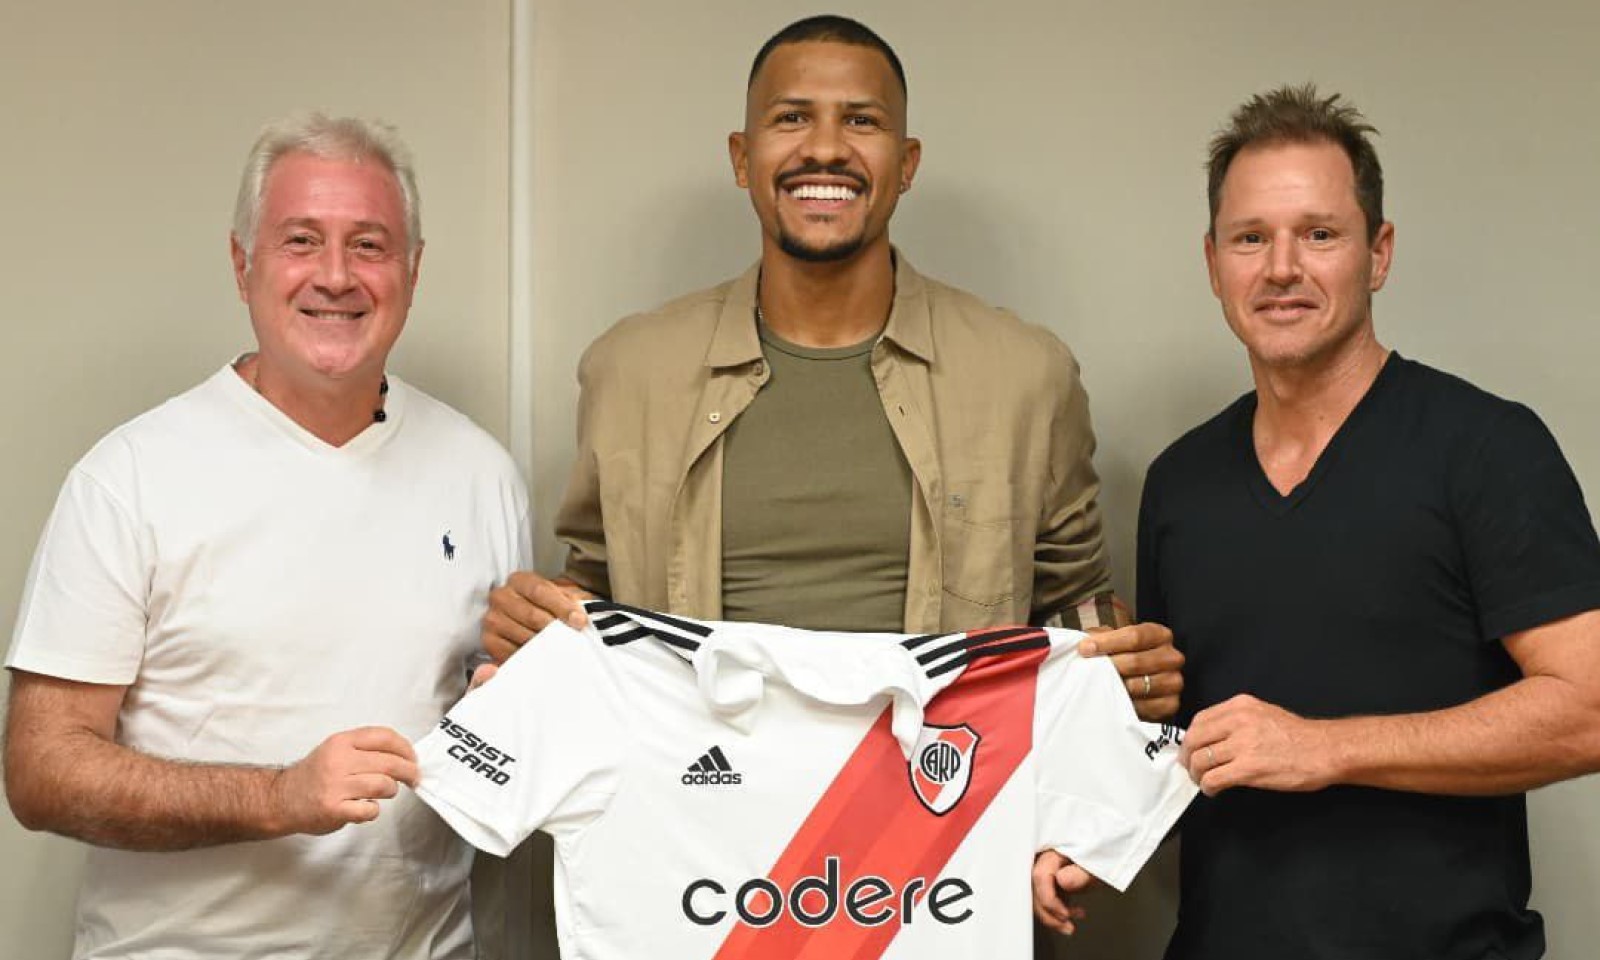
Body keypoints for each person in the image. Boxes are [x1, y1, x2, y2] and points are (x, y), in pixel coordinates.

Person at [479, 14, 1181, 941]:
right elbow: (601, 599)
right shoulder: (631, 370)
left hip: (932, 881)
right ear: (742, 154)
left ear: (907, 158)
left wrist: (1123, 670)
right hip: (700, 880)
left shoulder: (1023, 373)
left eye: (860, 121)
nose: (824, 148)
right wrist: (537, 620)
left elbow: (1074, 608)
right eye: (790, 118)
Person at [4, 114, 530, 959]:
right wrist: (278, 797)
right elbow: (41, 771)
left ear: (413, 269)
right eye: (300, 241)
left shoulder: (482, 473)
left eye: (369, 245)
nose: (335, 276)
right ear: (242, 263)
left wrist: (514, 712)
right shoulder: (130, 478)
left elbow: (483, 735)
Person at [1135, 84, 1600, 959]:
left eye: (1319, 234)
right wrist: (1073, 841)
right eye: (1250, 238)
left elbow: (1591, 708)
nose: (1280, 268)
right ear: (1212, 263)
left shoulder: (1486, 447)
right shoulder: (1179, 482)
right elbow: (1185, 743)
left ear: (1378, 252)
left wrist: (1327, 748)